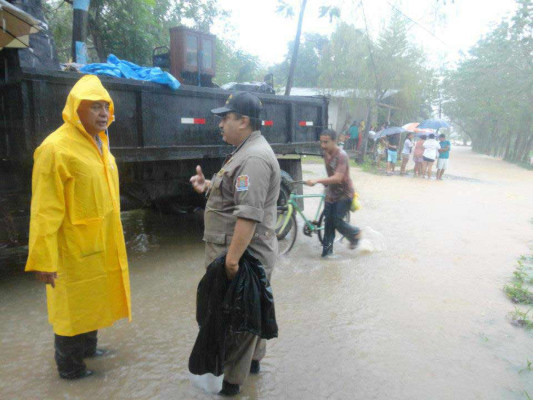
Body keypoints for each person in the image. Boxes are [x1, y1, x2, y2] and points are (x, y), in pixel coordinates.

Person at [24, 75, 131, 380]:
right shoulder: (55, 149)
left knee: (93, 297)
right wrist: (44, 258)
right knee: (71, 306)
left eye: (105, 106)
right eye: (94, 106)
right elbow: (44, 209)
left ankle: (88, 349)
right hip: (70, 246)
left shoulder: (101, 145)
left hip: (99, 241)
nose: (102, 113)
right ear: (75, 109)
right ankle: (69, 369)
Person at [189, 91, 281, 396]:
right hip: (242, 252)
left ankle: (232, 386)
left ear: (243, 121)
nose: (221, 125)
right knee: (251, 311)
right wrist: (207, 187)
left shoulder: (253, 157)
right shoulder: (244, 150)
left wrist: (231, 261)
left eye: (225, 118)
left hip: (243, 255)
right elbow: (232, 196)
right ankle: (253, 368)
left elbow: (248, 216)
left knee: (238, 320)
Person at [305, 129, 361, 257]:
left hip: (344, 194)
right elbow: (330, 174)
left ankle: (355, 233)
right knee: (328, 224)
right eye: (321, 142)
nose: (323, 145)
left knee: (336, 221)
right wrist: (325, 184)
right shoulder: (326, 154)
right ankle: (327, 253)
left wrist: (317, 180)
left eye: (326, 142)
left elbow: (338, 178)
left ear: (334, 141)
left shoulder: (342, 155)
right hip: (331, 193)